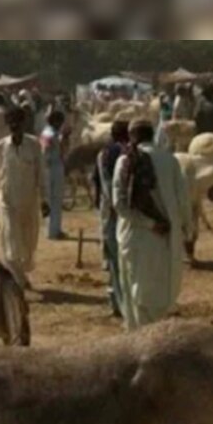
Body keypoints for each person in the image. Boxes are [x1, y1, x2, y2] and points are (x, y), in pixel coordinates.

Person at [112, 120, 191, 331]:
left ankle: (138, 341)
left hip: (134, 235)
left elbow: (119, 204)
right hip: (165, 238)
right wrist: (188, 230)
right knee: (160, 291)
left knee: (135, 293)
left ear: (132, 137)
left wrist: (147, 223)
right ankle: (152, 341)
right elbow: (183, 200)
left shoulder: (125, 161)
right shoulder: (170, 160)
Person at [0, 107, 47, 289]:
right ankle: (17, 279)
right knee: (10, 238)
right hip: (7, 200)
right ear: (8, 126)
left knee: (27, 243)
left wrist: (44, 199)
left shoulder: (34, 145)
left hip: (28, 201)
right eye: (11, 125)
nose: (15, 129)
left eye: (18, 125)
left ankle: (19, 274)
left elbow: (41, 173)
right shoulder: (1, 146)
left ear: (23, 125)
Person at [93, 120, 130, 318]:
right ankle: (123, 302)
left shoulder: (103, 153)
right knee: (122, 258)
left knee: (113, 258)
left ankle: (115, 300)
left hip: (108, 211)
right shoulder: (128, 154)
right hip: (122, 212)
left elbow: (100, 185)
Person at [40, 110, 68, 240]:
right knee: (56, 200)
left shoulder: (46, 132)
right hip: (54, 166)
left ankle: (51, 230)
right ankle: (54, 231)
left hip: (47, 167)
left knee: (49, 199)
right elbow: (52, 150)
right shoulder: (53, 134)